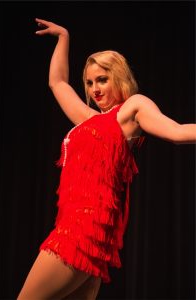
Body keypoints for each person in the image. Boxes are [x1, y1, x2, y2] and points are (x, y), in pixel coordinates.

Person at [17, 18, 196, 300]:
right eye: (89, 83)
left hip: (81, 231)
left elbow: (177, 131)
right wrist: (64, 36)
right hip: (85, 231)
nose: (94, 89)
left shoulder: (131, 109)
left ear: (119, 77)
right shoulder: (89, 119)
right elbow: (58, 82)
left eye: (102, 79)